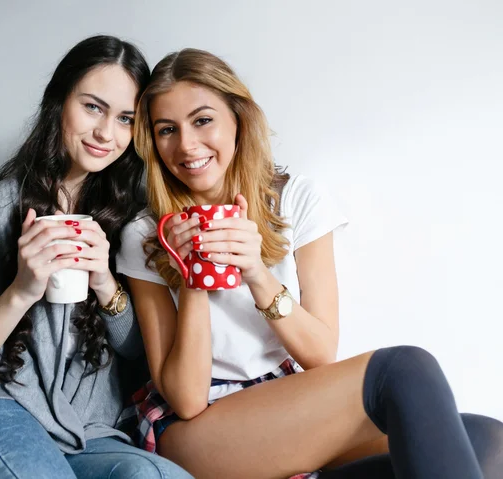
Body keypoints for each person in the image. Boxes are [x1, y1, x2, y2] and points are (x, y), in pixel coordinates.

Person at [115, 48, 503, 479]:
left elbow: (320, 354)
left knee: (486, 437)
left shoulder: (297, 199)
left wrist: (256, 273)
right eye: (167, 129)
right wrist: (192, 273)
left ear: (238, 121)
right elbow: (186, 399)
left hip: (286, 402)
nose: (186, 145)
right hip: (201, 428)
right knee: (403, 370)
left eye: (202, 120)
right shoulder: (144, 234)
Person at [0, 36, 192, 479]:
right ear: (58, 102)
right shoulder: (5, 204)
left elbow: (143, 360)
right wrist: (21, 291)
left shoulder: (132, 215)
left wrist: (104, 282)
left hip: (90, 428)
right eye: (93, 107)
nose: (107, 133)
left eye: (125, 118)